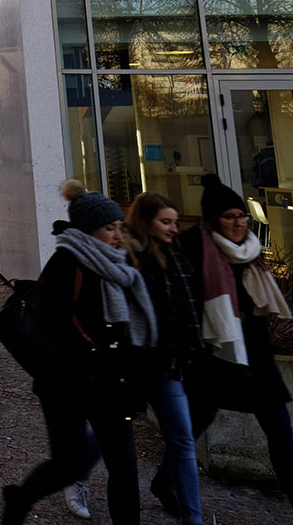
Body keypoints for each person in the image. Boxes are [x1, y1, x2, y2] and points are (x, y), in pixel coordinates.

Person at [2, 180, 156, 525]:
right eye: (109, 228)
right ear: (88, 230)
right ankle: (21, 498)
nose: (117, 235)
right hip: (65, 385)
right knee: (67, 465)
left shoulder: (118, 265)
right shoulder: (66, 264)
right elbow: (53, 327)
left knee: (124, 468)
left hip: (109, 384)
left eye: (119, 227)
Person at [185, 175, 293, 525]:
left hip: (257, 360)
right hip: (215, 359)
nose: (239, 222)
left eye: (241, 216)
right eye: (229, 216)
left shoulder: (252, 254)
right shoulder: (197, 250)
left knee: (280, 433)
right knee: (193, 428)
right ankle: (164, 485)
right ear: (213, 221)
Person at [126, 192, 204, 525]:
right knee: (108, 438)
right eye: (165, 222)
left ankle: (193, 518)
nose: (173, 228)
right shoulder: (133, 259)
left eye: (174, 221)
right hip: (139, 366)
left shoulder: (176, 256)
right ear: (148, 223)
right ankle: (76, 476)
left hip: (169, 366)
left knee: (183, 440)